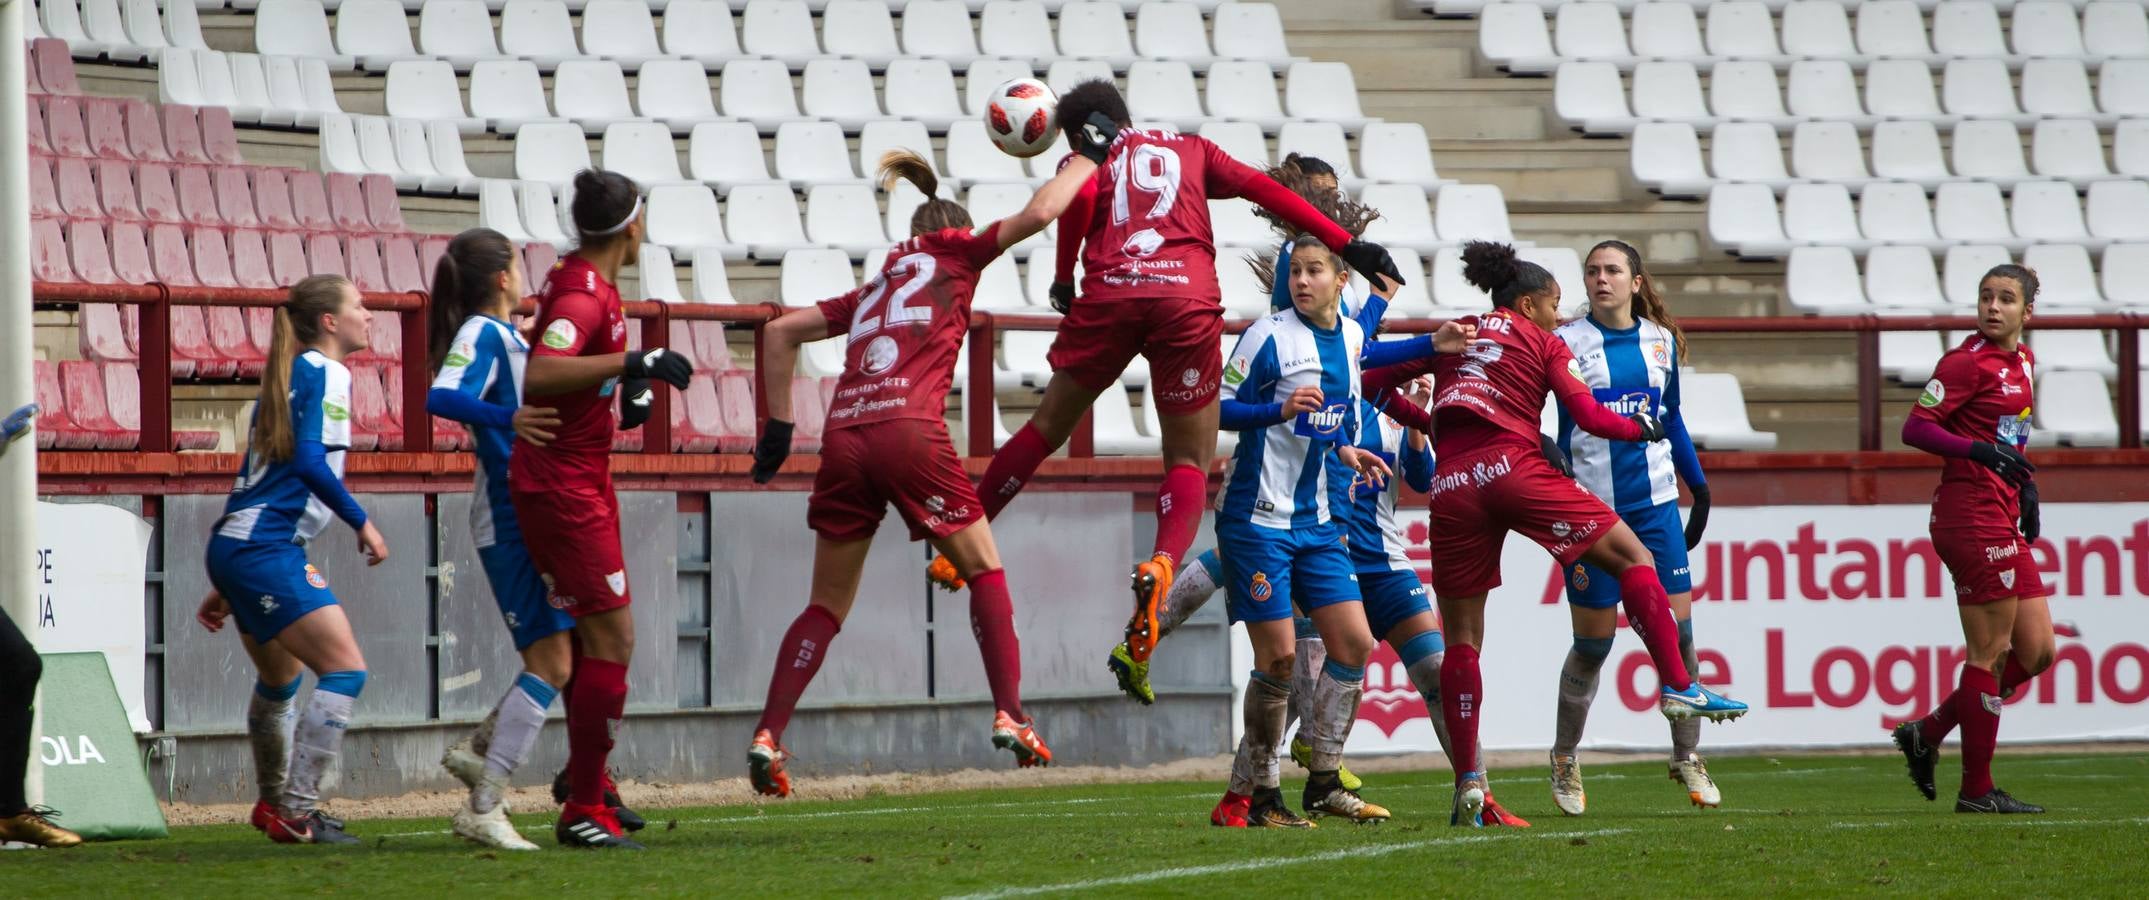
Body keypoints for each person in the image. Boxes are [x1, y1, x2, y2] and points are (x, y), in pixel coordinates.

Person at [925, 81, 1405, 677]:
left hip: (1113, 294)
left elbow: (1073, 205)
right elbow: (1262, 188)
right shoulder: (1193, 150)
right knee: (1186, 456)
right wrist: (1344, 243)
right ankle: (1161, 564)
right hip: (1185, 298)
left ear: (1076, 134)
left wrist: (1063, 275)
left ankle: (961, 540)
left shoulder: (1087, 158)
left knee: (1046, 428)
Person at [739, 148, 1106, 798]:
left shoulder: (875, 284)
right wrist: (1088, 158)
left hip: (843, 433)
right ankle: (1010, 713)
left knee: (824, 604)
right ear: (955, 231)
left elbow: (779, 334)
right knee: (984, 569)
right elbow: (1041, 211)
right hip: (908, 431)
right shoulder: (958, 253)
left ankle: (768, 733)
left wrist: (775, 429)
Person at [1362, 242, 1748, 827]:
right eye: (1554, 303)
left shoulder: (1456, 334)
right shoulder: (1547, 342)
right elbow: (1591, 417)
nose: (1559, 314)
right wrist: (1637, 426)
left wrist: (1428, 418)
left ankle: (1471, 781)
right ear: (1528, 303)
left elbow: (1364, 374)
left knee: (1463, 641)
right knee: (1632, 557)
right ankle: (1675, 686)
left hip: (1453, 485)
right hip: (1515, 469)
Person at [1207, 228, 1473, 828]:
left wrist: (1434, 344)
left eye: (1314, 271)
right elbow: (1218, 408)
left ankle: (1323, 780)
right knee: (1277, 660)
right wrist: (1277, 408)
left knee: (1353, 644)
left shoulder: (1350, 336)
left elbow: (1370, 362)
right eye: (1295, 271)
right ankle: (1258, 797)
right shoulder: (1267, 337)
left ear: (1340, 280)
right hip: (1258, 522)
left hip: (1319, 523)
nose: (1302, 281)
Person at [512, 169, 695, 849]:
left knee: (594, 639)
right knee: (613, 639)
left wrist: (628, 391)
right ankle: (583, 805)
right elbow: (544, 371)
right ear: (634, 226)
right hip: (562, 489)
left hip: (575, 479)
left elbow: (573, 377)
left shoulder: (582, 284)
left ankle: (590, 787)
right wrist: (631, 362)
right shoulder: (585, 299)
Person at [194, 274, 387, 845]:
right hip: (262, 547)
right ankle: (296, 811)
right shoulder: (327, 373)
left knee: (281, 680)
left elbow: (259, 477)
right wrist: (363, 522)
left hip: (240, 543)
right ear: (330, 321)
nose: (369, 313)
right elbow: (307, 461)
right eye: (359, 304)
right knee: (346, 669)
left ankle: (273, 804)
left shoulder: (290, 374)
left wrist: (227, 577)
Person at [1546, 240, 1719, 814]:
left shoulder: (1660, 340)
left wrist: (1700, 489)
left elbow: (1670, 417)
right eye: (1592, 270)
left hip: (1655, 505)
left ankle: (1686, 756)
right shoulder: (1565, 342)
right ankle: (1566, 757)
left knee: (1682, 636)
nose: (1601, 279)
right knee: (1592, 646)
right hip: (1590, 512)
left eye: (1612, 270)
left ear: (1636, 281)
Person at [425, 228, 573, 850]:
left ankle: (480, 751)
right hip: (508, 514)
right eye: (518, 263)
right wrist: (508, 418)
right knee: (554, 663)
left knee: (561, 656)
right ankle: (484, 804)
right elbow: (442, 396)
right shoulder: (481, 332)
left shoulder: (509, 334)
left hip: (531, 508)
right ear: (503, 279)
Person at [1890, 264, 2052, 815]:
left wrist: (2024, 483)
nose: (1992, 306)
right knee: (1990, 651)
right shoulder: (1965, 362)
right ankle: (1977, 791)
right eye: (1986, 297)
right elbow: (1916, 428)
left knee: (2037, 652)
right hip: (1970, 515)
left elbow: (2012, 432)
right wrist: (1978, 453)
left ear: (2026, 313)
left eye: (2006, 299)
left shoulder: (2024, 361)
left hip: (2002, 511)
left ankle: (1928, 732)